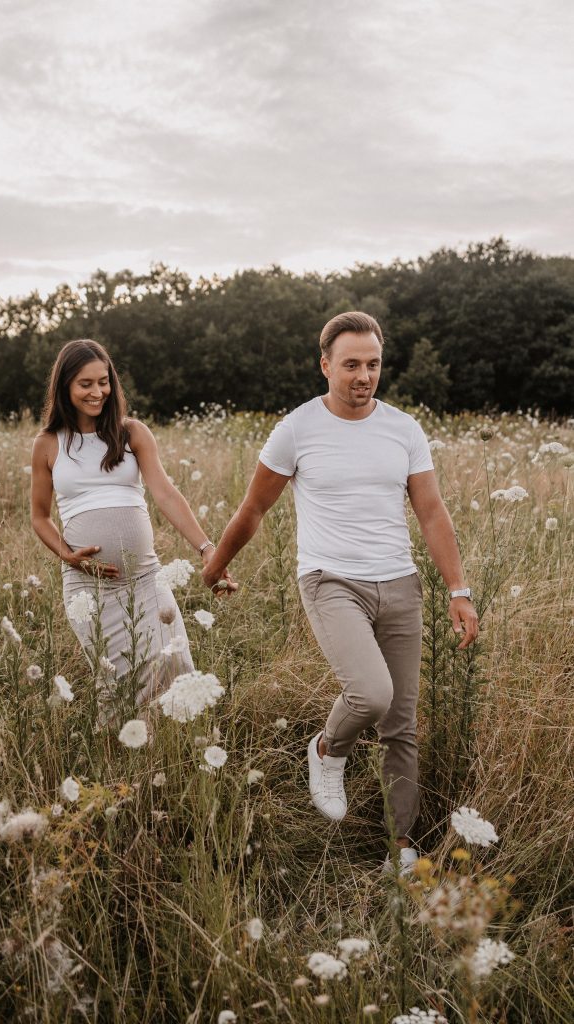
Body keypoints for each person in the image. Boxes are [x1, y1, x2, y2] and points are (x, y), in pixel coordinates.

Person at [202, 311, 478, 872]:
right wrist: (215, 565)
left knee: (401, 724)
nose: (364, 376)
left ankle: (401, 847)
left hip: (399, 583)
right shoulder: (297, 429)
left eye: (373, 364)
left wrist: (459, 588)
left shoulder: (404, 429)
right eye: (351, 364)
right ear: (325, 365)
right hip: (330, 580)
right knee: (372, 695)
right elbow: (254, 508)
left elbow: (431, 511)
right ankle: (329, 749)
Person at [30, 338, 234, 727]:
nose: (97, 392)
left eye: (103, 381)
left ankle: (176, 751)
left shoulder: (131, 433)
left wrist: (208, 548)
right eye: (85, 384)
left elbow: (166, 494)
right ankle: (122, 757)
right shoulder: (48, 443)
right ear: (65, 386)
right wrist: (68, 556)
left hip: (144, 578)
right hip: (88, 587)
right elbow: (39, 516)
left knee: (174, 663)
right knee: (118, 684)